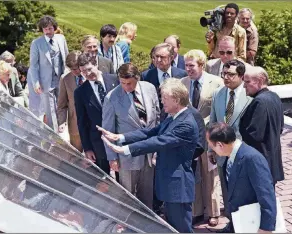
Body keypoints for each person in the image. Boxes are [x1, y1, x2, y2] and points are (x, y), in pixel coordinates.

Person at [98, 78, 199, 233]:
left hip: (178, 187)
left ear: (177, 100)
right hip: (170, 184)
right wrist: (121, 137)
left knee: (182, 228)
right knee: (172, 226)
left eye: (165, 98)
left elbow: (158, 141)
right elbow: (150, 132)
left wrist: (125, 150)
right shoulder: (174, 117)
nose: (162, 102)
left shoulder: (185, 124)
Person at [99, 63, 160, 209]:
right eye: (122, 83)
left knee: (147, 193)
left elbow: (157, 117)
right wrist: (112, 158)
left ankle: (146, 222)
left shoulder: (150, 88)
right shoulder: (111, 98)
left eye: (129, 83)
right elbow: (108, 130)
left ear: (137, 78)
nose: (126, 87)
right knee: (128, 195)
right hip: (127, 155)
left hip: (149, 151)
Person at [206, 122, 277, 233]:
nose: (211, 149)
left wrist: (265, 228)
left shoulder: (252, 158)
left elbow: (267, 195)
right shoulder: (229, 156)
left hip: (253, 223)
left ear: (220, 145)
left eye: (211, 146)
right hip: (240, 220)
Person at [181, 49, 223, 226]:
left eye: (192, 66)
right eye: (186, 65)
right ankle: (196, 211)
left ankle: (213, 212)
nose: (188, 69)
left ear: (202, 65)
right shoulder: (182, 83)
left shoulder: (217, 83)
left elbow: (219, 111)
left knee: (210, 174)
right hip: (191, 139)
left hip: (209, 137)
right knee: (194, 174)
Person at [208, 59, 252, 218]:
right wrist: (211, 149)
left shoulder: (250, 96)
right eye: (224, 74)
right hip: (221, 153)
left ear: (241, 76)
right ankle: (230, 220)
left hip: (241, 153)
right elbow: (213, 123)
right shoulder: (218, 94)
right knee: (226, 190)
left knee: (242, 189)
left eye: (230, 74)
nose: (226, 77)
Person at [74, 53, 119, 174]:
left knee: (123, 177)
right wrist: (87, 148)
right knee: (103, 178)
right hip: (98, 143)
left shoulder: (115, 79)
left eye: (89, 69)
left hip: (119, 136)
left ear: (96, 65)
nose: (88, 74)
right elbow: (82, 122)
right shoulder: (80, 92)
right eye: (83, 72)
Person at [240, 66, 285, 186]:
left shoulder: (259, 102)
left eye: (247, 81)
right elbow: (280, 127)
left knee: (260, 201)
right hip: (271, 160)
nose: (244, 86)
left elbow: (254, 135)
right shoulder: (274, 97)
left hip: (260, 162)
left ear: (260, 81)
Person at [28, 15, 69, 131]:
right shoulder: (36, 43)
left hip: (61, 79)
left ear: (54, 28)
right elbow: (34, 66)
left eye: (50, 28)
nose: (48, 31)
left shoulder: (61, 39)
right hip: (46, 81)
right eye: (45, 29)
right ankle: (54, 134)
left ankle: (62, 127)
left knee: (62, 105)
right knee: (50, 109)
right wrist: (36, 82)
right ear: (42, 29)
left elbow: (66, 57)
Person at [142, 43, 187, 121]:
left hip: (176, 119)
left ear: (171, 57)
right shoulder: (146, 76)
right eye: (156, 56)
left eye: (162, 57)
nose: (158, 60)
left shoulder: (182, 75)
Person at [57, 51, 85, 152]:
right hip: (75, 124)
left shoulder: (91, 75)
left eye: (78, 68)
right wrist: (62, 122)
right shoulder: (65, 79)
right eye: (73, 69)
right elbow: (62, 104)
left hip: (92, 124)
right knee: (76, 155)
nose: (76, 71)